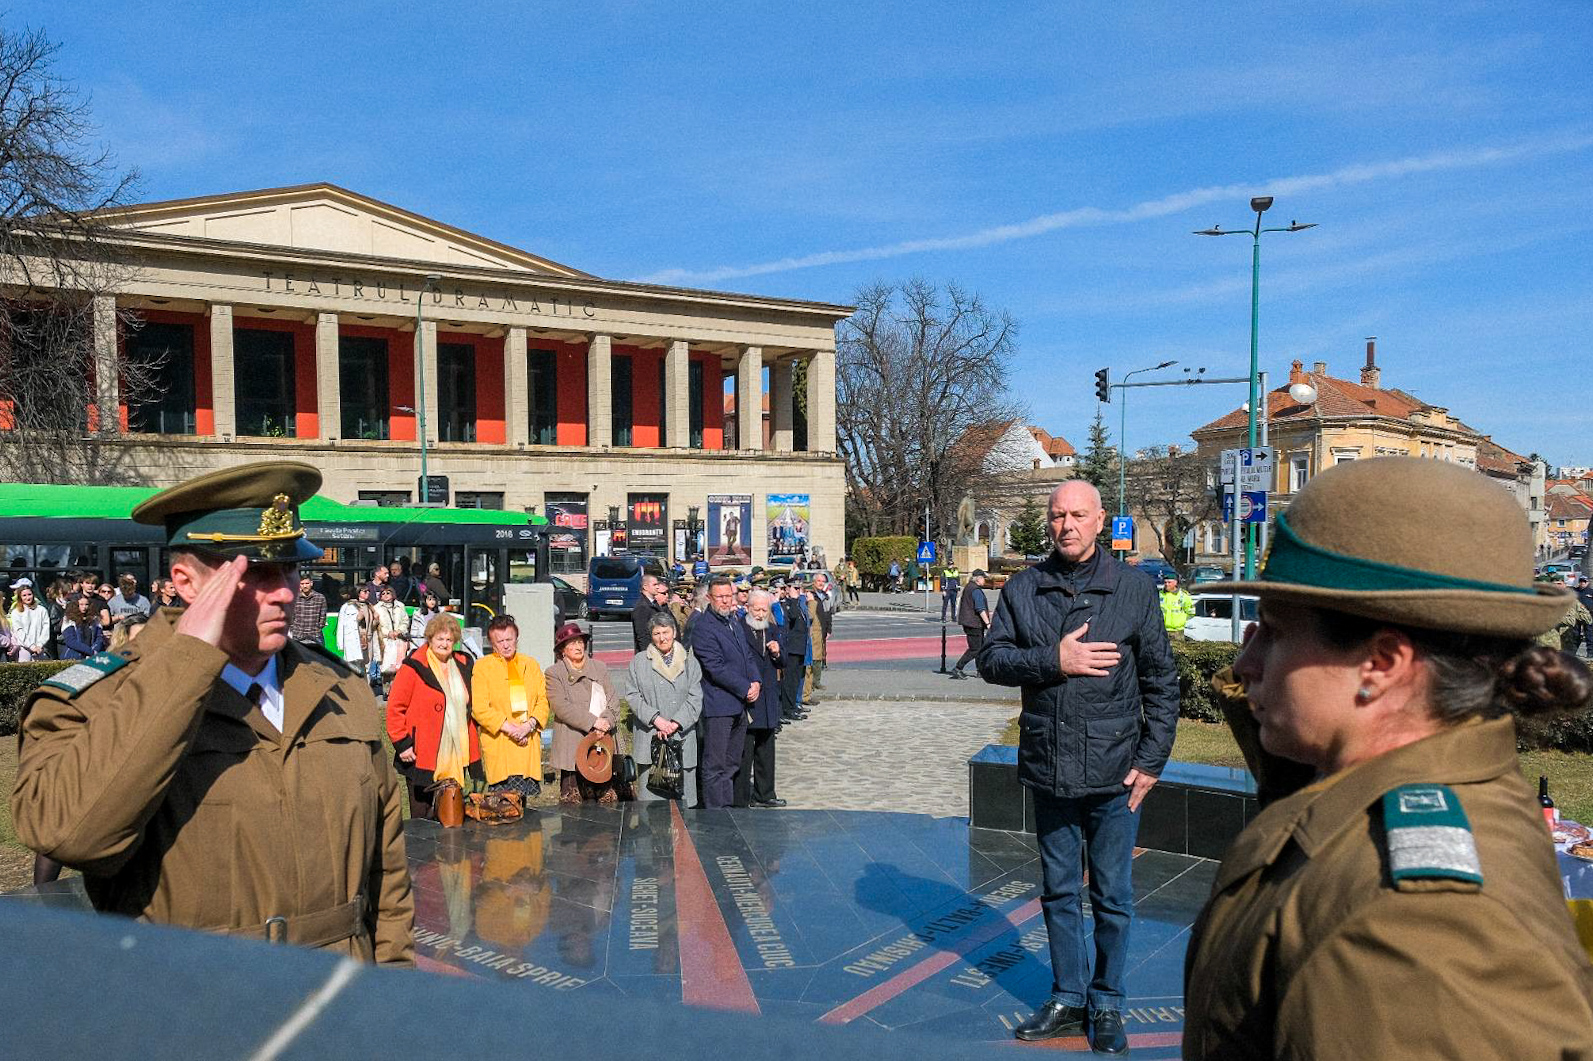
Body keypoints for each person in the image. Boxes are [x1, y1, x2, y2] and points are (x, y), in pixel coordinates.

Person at [1182, 456, 1593, 1058]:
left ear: (1381, 664)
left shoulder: (1410, 927)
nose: (1244, 665)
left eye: (1273, 631)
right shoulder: (1402, 801)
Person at [11, 461, 414, 964]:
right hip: (196, 996)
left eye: (291, 568)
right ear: (186, 582)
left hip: (341, 991)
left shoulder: (340, 689)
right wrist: (186, 662)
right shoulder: (97, 697)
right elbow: (68, 834)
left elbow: (387, 876)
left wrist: (392, 984)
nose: (285, 591)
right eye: (255, 573)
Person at [978, 481, 1178, 1052]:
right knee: (1058, 891)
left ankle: (1107, 1000)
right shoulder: (1024, 587)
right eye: (1058, 515)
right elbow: (991, 661)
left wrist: (1152, 760)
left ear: (1100, 521)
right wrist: (1055, 659)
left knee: (1112, 896)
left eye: (1078, 515)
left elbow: (1161, 680)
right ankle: (1068, 996)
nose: (1067, 525)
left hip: (1117, 774)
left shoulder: (1133, 589)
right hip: (1050, 766)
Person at [386, 613, 482, 821]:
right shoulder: (413, 666)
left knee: (450, 813)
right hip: (421, 751)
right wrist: (402, 743)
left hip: (457, 750)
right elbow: (395, 708)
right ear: (429, 638)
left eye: (449, 639)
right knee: (422, 816)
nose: (444, 644)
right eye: (440, 638)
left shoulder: (464, 664)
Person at [691, 576, 761, 809]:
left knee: (732, 762)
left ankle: (726, 809)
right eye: (720, 597)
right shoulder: (704, 627)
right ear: (709, 598)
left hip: (739, 704)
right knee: (715, 764)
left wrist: (756, 681)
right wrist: (745, 687)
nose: (725, 601)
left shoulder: (733, 621)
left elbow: (747, 655)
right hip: (719, 705)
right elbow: (715, 668)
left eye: (728, 596)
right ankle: (715, 813)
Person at [627, 612, 703, 805]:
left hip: (682, 737)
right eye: (657, 633)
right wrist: (656, 720)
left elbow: (695, 698)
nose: (662, 638)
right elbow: (633, 696)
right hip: (650, 737)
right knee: (651, 807)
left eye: (666, 632)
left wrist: (675, 724)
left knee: (684, 806)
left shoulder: (690, 662)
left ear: (675, 632)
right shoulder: (639, 662)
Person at [470, 615, 549, 799]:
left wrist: (528, 726)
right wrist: (512, 730)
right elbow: (479, 709)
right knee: (503, 807)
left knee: (524, 807)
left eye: (509, 639)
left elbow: (543, 700)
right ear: (492, 643)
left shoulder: (531, 664)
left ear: (516, 639)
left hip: (527, 744)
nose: (505, 645)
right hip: (501, 745)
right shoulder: (482, 667)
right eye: (500, 641)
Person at [546, 622, 622, 804]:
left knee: (607, 805)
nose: (578, 646)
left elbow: (613, 700)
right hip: (572, 741)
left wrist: (605, 722)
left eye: (580, 642)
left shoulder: (600, 668)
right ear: (562, 650)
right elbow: (561, 706)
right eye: (572, 643)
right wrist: (593, 722)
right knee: (573, 807)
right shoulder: (554, 673)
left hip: (603, 741)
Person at [736, 588, 785, 808]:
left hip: (768, 697)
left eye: (764, 610)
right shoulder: (739, 628)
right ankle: (741, 797)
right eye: (756, 610)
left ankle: (765, 793)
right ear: (748, 608)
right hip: (748, 696)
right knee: (744, 750)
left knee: (766, 748)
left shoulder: (772, 628)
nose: (760, 614)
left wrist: (777, 652)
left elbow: (783, 661)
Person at [776, 579, 811, 722]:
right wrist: (795, 599)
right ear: (787, 589)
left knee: (796, 679)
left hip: (799, 648)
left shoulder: (798, 603)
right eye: (794, 588)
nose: (798, 591)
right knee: (789, 681)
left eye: (798, 588)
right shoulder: (788, 604)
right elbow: (793, 616)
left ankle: (793, 706)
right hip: (791, 648)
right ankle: (788, 708)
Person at [336, 585, 379, 692]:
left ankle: (365, 690)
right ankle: (353, 690)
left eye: (368, 591)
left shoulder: (370, 606)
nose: (367, 593)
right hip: (353, 641)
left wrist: (376, 620)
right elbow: (341, 625)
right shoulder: (348, 606)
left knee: (366, 666)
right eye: (364, 591)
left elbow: (372, 625)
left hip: (367, 640)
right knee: (353, 665)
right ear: (358, 592)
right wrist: (341, 644)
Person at [950, 569, 991, 680]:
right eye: (983, 578)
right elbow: (980, 609)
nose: (984, 580)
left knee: (980, 648)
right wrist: (988, 623)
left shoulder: (969, 587)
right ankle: (958, 668)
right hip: (974, 623)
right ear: (978, 579)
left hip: (970, 622)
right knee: (975, 649)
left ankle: (980, 671)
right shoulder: (976, 590)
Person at [372, 584, 409, 686]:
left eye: (388, 593)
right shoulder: (376, 608)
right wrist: (388, 633)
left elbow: (405, 621)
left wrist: (399, 631)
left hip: (399, 640)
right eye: (383, 593)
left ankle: (397, 687)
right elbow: (377, 626)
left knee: (399, 666)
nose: (386, 595)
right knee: (386, 667)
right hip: (384, 641)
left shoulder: (400, 606)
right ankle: (386, 688)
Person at [9, 580, 52, 661]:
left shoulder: (42, 610)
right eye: (24, 595)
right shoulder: (16, 612)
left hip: (40, 649)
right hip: (24, 649)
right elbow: (19, 631)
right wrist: (31, 646)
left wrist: (39, 645)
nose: (27, 597)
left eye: (29, 594)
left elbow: (45, 629)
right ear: (20, 597)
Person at [631, 574, 670, 653]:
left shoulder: (654, 603)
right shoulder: (642, 607)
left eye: (657, 584)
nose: (657, 587)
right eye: (654, 585)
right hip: (651, 652)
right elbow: (642, 635)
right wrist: (647, 655)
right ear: (645, 587)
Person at [290, 574, 328, 649]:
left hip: (315, 636)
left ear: (311, 583)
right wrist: (294, 630)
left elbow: (323, 617)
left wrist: (317, 629)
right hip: (298, 637)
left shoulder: (320, 598)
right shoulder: (294, 598)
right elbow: (291, 617)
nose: (305, 586)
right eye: (302, 584)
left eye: (307, 583)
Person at [1158, 575, 1194, 641]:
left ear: (1175, 583)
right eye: (1165, 582)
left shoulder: (1183, 596)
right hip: (1162, 630)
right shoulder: (1159, 595)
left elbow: (1191, 612)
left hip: (1177, 632)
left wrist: (1181, 621)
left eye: (1169, 582)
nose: (1166, 584)